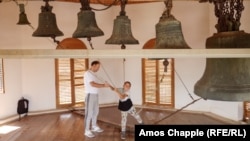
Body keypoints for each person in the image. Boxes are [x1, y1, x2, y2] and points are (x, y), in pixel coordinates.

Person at [83, 60, 110, 138]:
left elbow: (96, 84)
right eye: (97, 67)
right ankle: (87, 130)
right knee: (88, 113)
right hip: (90, 95)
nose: (98, 68)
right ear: (93, 65)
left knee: (95, 112)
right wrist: (104, 85)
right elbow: (93, 84)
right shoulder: (87, 73)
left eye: (99, 67)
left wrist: (104, 84)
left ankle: (94, 126)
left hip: (95, 95)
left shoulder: (93, 74)